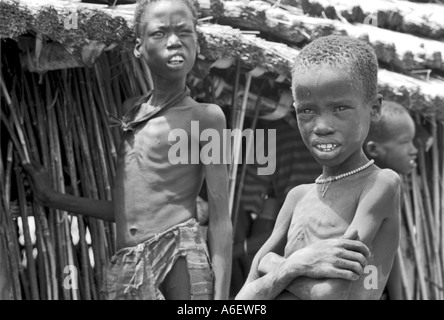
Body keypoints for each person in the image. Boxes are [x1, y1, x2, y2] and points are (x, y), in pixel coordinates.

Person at [23, 0, 232, 300]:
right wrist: (53, 199)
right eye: (160, 33)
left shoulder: (206, 117)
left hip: (178, 258)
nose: (174, 41)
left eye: (184, 32)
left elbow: (221, 219)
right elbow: (130, 214)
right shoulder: (130, 112)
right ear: (139, 47)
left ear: (196, 44)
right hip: (127, 266)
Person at [236, 35, 401, 300]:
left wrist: (273, 266)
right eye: (307, 111)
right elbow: (244, 298)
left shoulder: (380, 184)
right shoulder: (297, 197)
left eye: (340, 108)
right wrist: (299, 263)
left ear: (374, 108)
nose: (321, 126)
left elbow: (329, 294)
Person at [364, 100, 418, 300]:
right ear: (374, 149)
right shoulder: (374, 189)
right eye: (405, 142)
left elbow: (389, 252)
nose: (414, 150)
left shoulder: (390, 187)